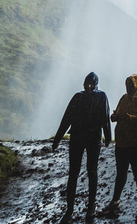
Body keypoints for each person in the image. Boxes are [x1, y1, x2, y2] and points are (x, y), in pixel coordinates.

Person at [52, 72, 111, 223]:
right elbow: (67, 118)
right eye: (87, 83)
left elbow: (104, 118)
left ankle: (84, 208)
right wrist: (58, 138)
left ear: (95, 84)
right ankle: (75, 209)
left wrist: (107, 136)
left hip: (83, 137)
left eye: (91, 83)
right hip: (87, 137)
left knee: (86, 171)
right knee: (79, 172)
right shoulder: (98, 96)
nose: (89, 86)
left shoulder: (80, 97)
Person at [99, 74, 137, 219]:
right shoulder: (124, 98)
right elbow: (118, 113)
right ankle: (115, 201)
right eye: (128, 85)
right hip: (121, 142)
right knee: (121, 173)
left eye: (131, 85)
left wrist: (133, 119)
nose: (129, 88)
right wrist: (115, 117)